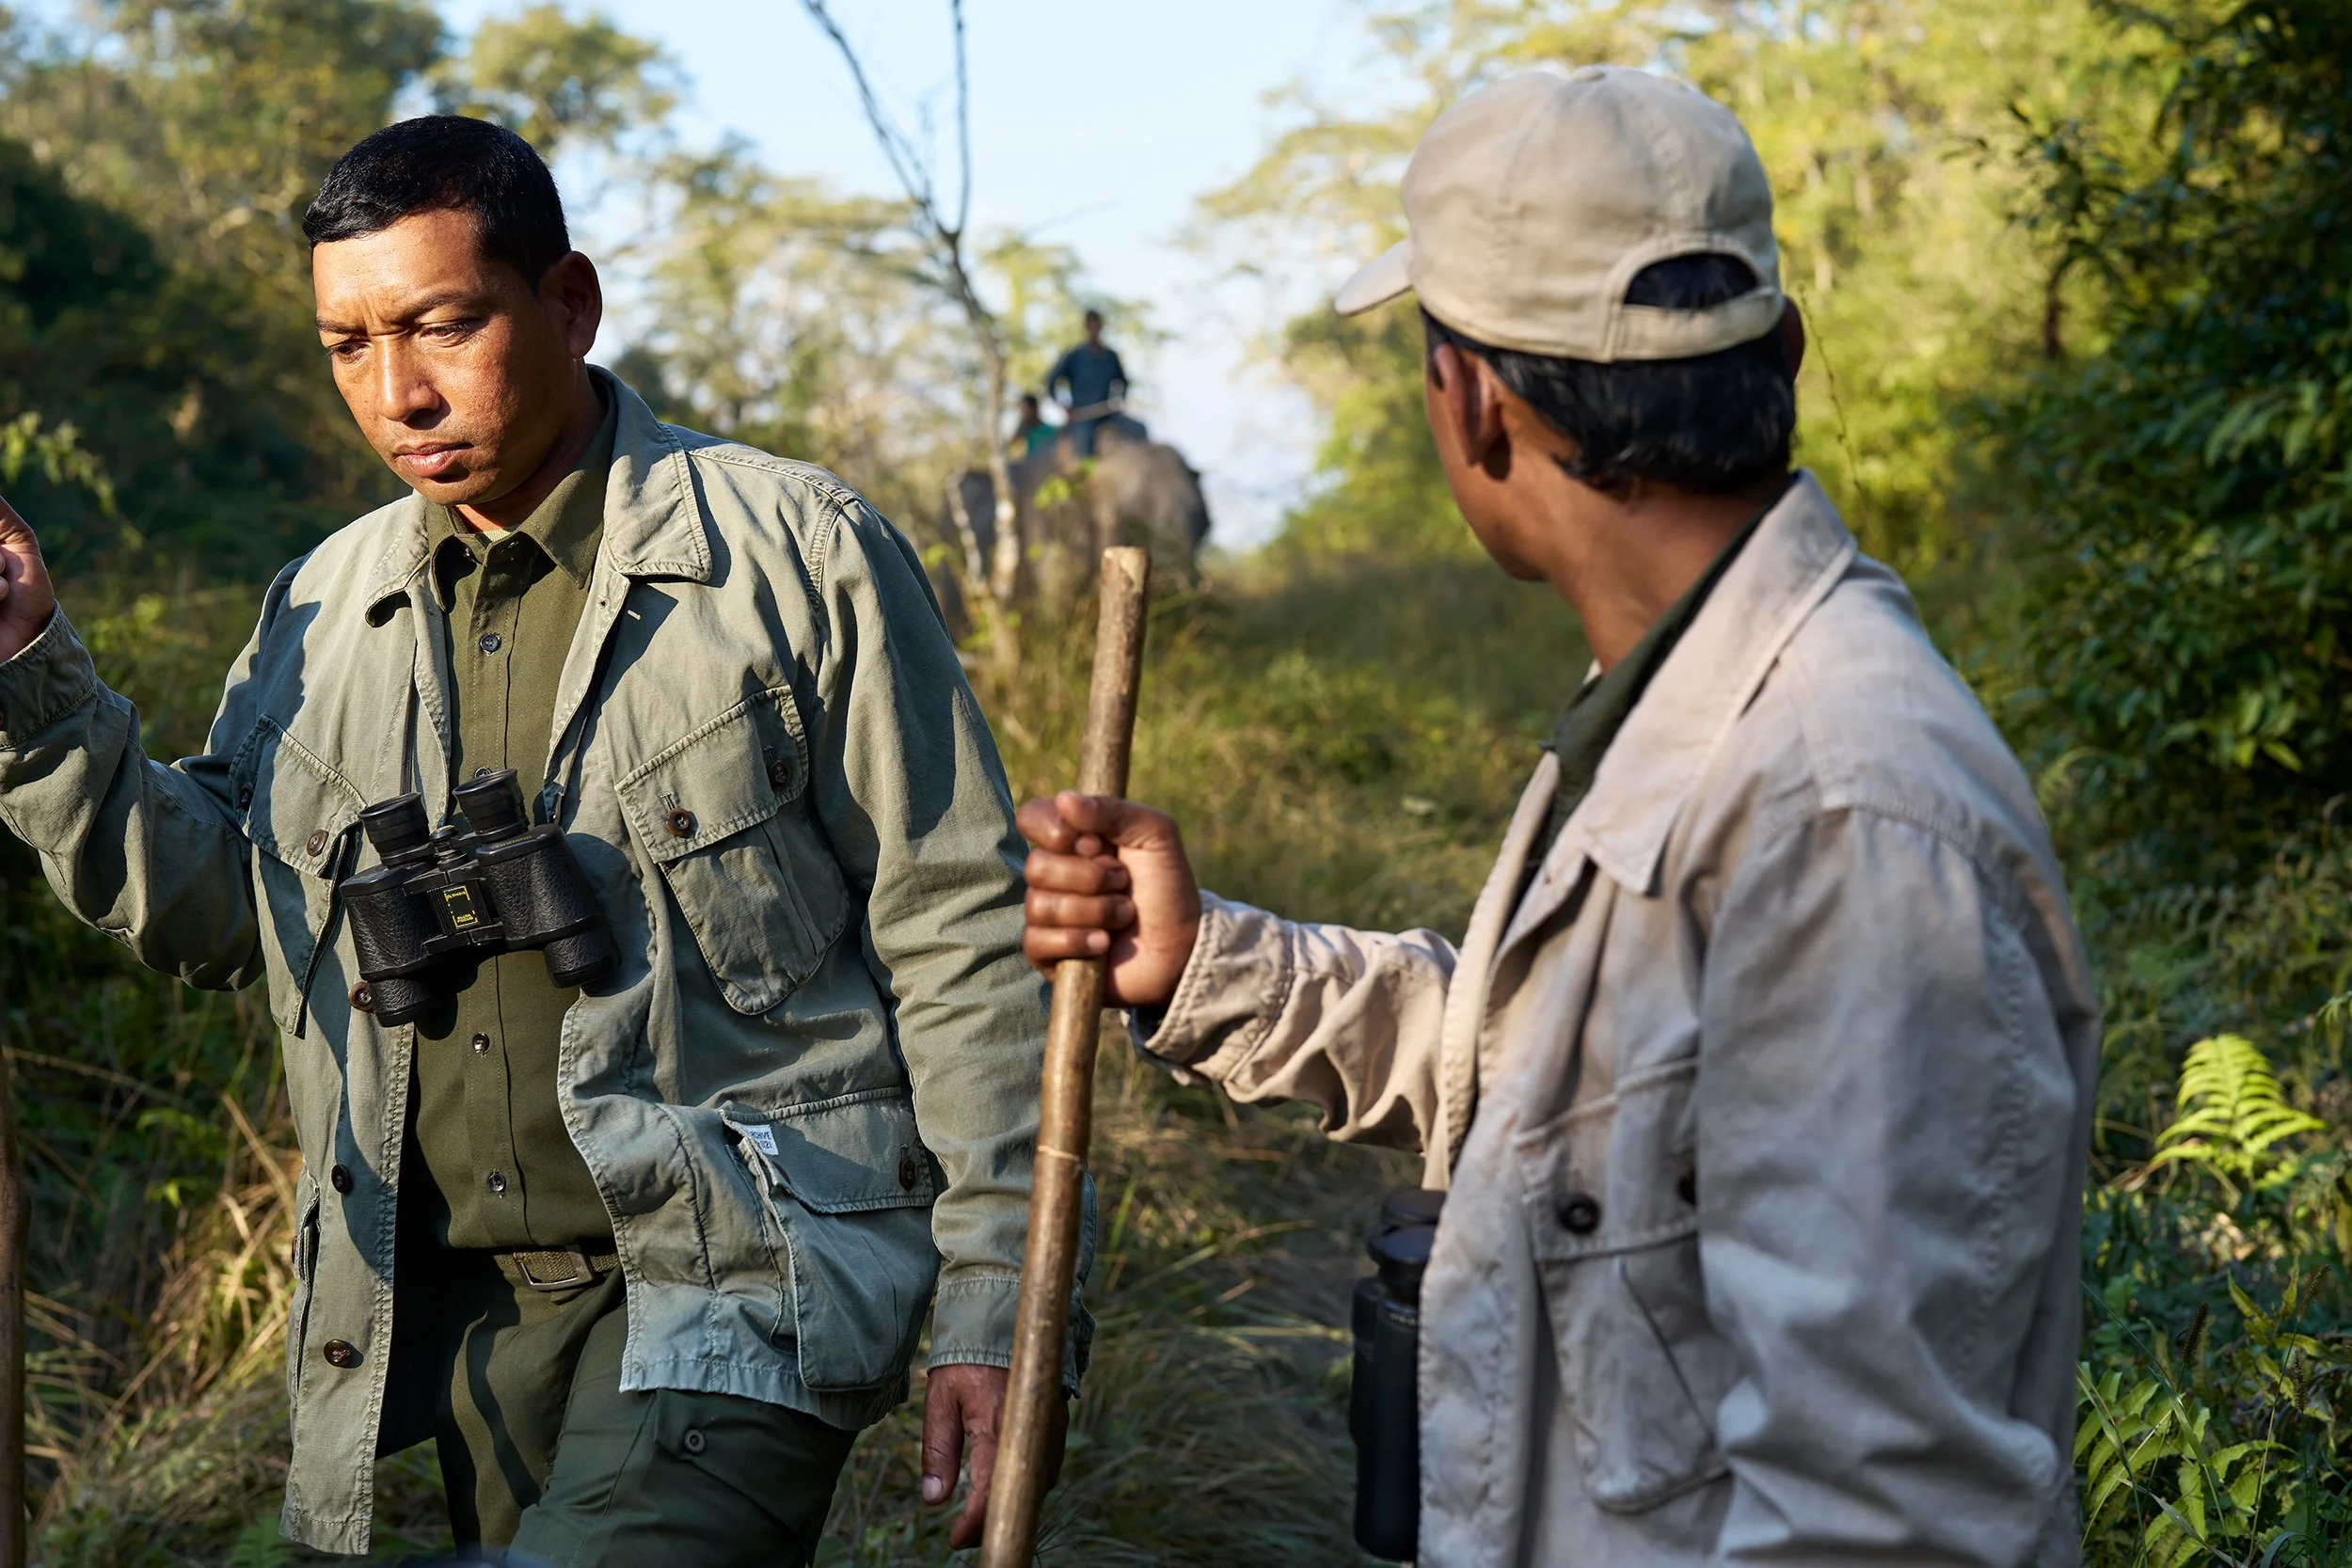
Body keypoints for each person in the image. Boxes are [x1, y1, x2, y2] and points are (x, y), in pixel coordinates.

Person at [1019, 66, 2097, 1567]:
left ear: (1468, 402)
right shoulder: (1674, 697)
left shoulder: (1841, 802)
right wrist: (1204, 963)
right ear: (1778, 348)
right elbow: (1554, 1076)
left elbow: (1888, 1520)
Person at [0, 118, 1078, 1565]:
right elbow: (221, 914)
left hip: (735, 1278)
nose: (398, 392)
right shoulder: (322, 610)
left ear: (567, 301)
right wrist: (31, 678)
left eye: (444, 324)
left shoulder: (795, 553)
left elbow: (958, 927)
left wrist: (1002, 1298)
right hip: (447, 1321)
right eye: (348, 344)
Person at [1043, 309, 1127, 456]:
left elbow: (1124, 383)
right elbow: (1051, 381)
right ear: (1086, 327)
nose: (1094, 329)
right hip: (1082, 417)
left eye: (1097, 325)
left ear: (1102, 327)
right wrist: (1065, 407)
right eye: (1091, 325)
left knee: (1136, 429)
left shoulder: (1111, 357)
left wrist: (1118, 402)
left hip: (1107, 415)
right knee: (1084, 448)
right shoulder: (1074, 355)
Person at [1011, 390, 1057, 457]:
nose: (1023, 414)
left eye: (1026, 410)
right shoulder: (1023, 432)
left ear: (1035, 409)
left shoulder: (1049, 432)